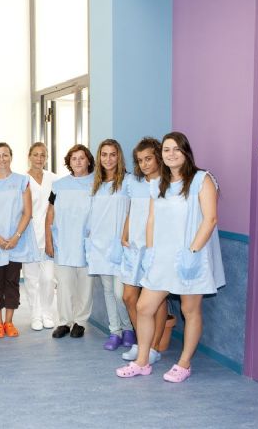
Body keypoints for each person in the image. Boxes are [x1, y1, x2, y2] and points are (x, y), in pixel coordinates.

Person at [116, 132, 225, 382]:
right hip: (162, 257)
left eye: (176, 149)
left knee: (190, 309)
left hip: (190, 257)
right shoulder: (158, 185)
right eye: (166, 150)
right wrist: (151, 252)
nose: (171, 154)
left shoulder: (201, 179)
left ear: (186, 152)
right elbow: (152, 220)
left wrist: (193, 252)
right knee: (144, 307)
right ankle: (142, 361)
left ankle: (184, 363)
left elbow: (210, 219)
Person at [0, 142, 40, 338]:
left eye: (5, 155)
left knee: (12, 281)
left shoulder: (22, 181)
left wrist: (16, 237)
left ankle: (9, 322)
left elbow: (27, 213)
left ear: (11, 157)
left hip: (16, 243)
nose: (2, 159)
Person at [120, 138, 168, 364]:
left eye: (148, 159)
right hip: (134, 248)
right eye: (140, 160)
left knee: (155, 300)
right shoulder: (134, 181)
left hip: (156, 248)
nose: (145, 164)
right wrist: (125, 232)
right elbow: (132, 210)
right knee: (129, 296)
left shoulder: (168, 183)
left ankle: (154, 348)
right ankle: (142, 342)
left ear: (158, 156)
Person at [86, 139, 134, 350]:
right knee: (107, 290)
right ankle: (114, 332)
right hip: (100, 245)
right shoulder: (94, 184)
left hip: (121, 244)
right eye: (104, 154)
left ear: (119, 156)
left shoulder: (129, 182)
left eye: (112, 154)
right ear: (99, 158)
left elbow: (135, 211)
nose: (108, 159)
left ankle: (129, 329)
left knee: (120, 293)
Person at [45, 144, 95, 339]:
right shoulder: (59, 185)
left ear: (88, 160)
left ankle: (80, 322)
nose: (78, 162)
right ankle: (65, 322)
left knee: (85, 284)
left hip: (87, 242)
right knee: (64, 284)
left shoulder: (96, 183)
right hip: (63, 242)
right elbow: (50, 213)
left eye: (81, 158)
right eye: (74, 159)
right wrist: (48, 241)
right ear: (69, 162)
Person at [22, 142, 58, 331]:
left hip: (49, 236)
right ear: (29, 156)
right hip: (29, 237)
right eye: (35, 154)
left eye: (42, 155)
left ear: (46, 157)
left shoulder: (54, 179)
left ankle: (47, 313)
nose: (39, 158)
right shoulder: (22, 179)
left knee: (48, 278)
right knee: (31, 279)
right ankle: (35, 315)